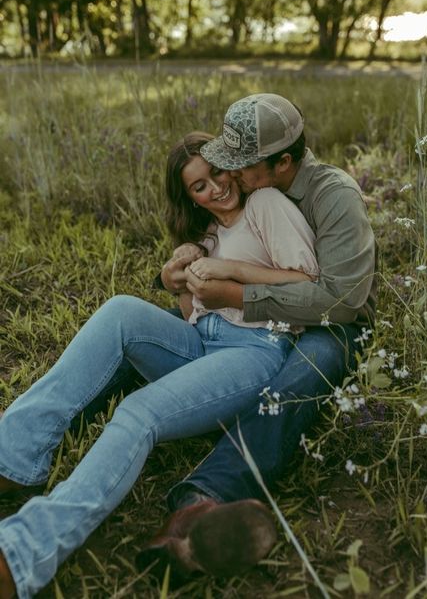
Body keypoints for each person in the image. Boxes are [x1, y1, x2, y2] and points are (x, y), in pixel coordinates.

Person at [0, 131, 320, 599]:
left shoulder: (266, 204)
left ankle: (23, 553)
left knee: (138, 411)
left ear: (231, 165)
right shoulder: (208, 235)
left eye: (217, 172)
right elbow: (195, 317)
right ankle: (11, 458)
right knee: (119, 312)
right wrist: (181, 285)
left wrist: (230, 272)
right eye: (198, 186)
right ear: (189, 197)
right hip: (203, 342)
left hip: (254, 352)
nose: (215, 188)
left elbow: (306, 281)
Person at [137, 93, 376, 581]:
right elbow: (216, 233)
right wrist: (184, 267)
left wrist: (239, 296)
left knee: (291, 383)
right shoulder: (254, 189)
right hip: (255, 319)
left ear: (282, 162)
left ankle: (197, 506)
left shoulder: (333, 194)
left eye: (238, 167)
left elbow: (343, 300)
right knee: (147, 331)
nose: (228, 177)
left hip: (330, 324)